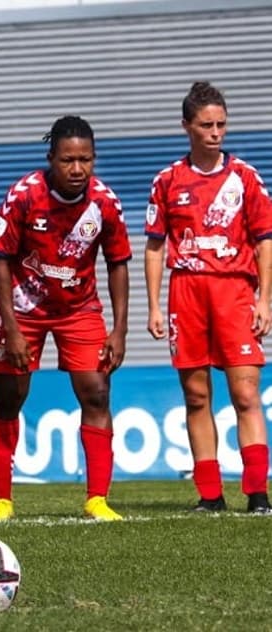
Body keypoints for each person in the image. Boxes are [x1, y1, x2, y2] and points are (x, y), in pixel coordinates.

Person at [0, 115, 131, 522]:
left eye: (86, 159)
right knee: (9, 398)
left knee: (97, 393)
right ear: (52, 159)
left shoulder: (104, 203)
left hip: (78, 309)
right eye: (68, 160)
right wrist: (10, 327)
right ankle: (1, 500)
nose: (78, 169)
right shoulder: (24, 196)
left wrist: (119, 328)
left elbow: (118, 263)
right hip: (23, 309)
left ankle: (97, 499)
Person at [144, 81, 272, 514]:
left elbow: (264, 242)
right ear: (187, 127)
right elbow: (156, 246)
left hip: (235, 292)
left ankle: (257, 493)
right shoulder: (167, 181)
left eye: (221, 124)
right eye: (206, 125)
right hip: (187, 294)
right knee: (197, 396)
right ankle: (210, 495)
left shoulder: (245, 178)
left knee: (245, 393)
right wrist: (155, 304)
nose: (216, 132)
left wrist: (265, 300)